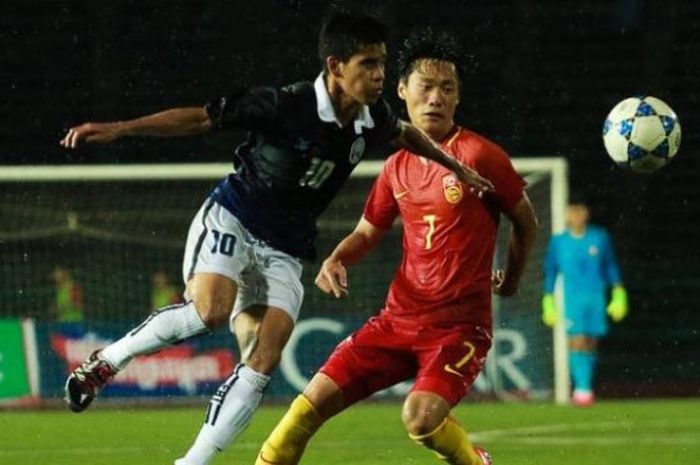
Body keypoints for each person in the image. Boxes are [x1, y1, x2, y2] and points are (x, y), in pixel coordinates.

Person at [59, 12, 494, 465]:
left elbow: (404, 134)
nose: (379, 74)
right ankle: (108, 360)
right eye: (367, 64)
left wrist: (456, 166)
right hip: (234, 217)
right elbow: (200, 119)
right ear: (335, 66)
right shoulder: (287, 105)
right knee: (210, 312)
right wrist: (121, 129)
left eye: (381, 63)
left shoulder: (372, 118)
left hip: (285, 247)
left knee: (263, 358)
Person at [254, 29, 538, 465]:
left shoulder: (480, 156)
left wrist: (512, 281)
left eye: (448, 89)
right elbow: (368, 232)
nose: (436, 98)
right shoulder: (396, 166)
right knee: (303, 411)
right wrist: (337, 257)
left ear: (458, 98)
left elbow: (526, 221)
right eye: (426, 87)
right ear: (402, 91)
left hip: (458, 329)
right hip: (396, 322)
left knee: (420, 419)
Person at [542, 199, 628, 406]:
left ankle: (585, 386)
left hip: (596, 297)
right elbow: (551, 271)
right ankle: (582, 389)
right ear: (566, 215)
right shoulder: (559, 241)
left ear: (586, 214)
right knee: (577, 340)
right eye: (572, 212)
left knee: (590, 342)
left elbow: (610, 266)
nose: (577, 216)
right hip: (572, 299)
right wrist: (548, 299)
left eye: (580, 212)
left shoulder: (599, 237)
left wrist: (618, 291)